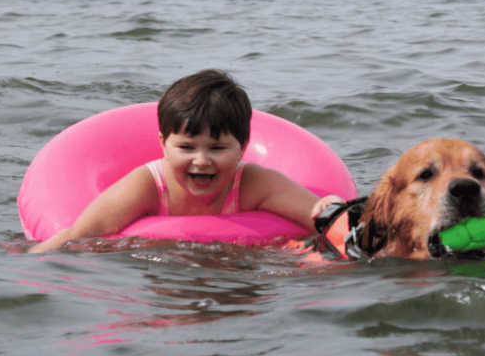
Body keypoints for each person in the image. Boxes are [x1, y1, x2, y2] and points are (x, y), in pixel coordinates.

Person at [28, 69, 344, 253]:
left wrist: (331, 210)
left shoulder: (253, 183)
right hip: (162, 275)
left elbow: (319, 214)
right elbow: (81, 233)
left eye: (218, 148)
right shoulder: (147, 186)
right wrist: (34, 263)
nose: (201, 160)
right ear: (164, 144)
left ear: (243, 147)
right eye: (187, 147)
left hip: (240, 272)